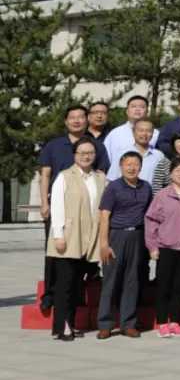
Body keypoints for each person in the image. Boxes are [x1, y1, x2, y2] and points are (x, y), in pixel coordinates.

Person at [37, 105, 111, 311]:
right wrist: (44, 203)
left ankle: (77, 294)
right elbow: (45, 175)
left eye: (81, 117)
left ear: (87, 120)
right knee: (55, 252)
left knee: (83, 253)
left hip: (87, 210)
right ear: (66, 121)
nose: (77, 121)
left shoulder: (96, 146)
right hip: (59, 207)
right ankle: (50, 294)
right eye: (72, 117)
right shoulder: (53, 145)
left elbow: (101, 176)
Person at [46, 138, 108, 340]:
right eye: (82, 153)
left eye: (90, 153)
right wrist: (58, 235)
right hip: (68, 236)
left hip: (89, 237)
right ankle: (62, 326)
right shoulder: (64, 176)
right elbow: (57, 206)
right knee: (64, 284)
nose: (86, 156)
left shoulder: (100, 177)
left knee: (76, 285)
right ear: (74, 155)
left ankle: (71, 323)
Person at [145, 157, 180, 338]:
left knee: (179, 287)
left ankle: (175, 322)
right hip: (166, 247)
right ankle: (162, 323)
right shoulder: (162, 195)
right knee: (163, 286)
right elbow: (151, 221)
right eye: (178, 170)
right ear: (171, 173)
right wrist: (152, 247)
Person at [105, 96, 158, 175]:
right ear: (127, 111)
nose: (137, 109)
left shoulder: (156, 134)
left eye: (142, 107)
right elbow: (107, 160)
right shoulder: (115, 134)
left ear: (147, 111)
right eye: (133, 106)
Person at [112, 118, 164, 185]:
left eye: (148, 131)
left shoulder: (159, 156)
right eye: (141, 130)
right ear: (133, 132)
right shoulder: (122, 153)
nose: (144, 134)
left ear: (152, 133)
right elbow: (111, 179)